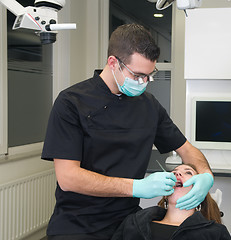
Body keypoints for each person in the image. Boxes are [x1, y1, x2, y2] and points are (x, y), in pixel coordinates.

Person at [41, 23, 214, 239]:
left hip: (129, 224)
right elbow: (68, 177)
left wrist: (206, 175)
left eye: (149, 76)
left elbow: (187, 149)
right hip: (78, 225)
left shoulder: (148, 105)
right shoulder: (71, 102)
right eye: (137, 75)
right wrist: (136, 187)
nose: (144, 83)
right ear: (113, 63)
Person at [111, 164, 231, 240]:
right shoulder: (133, 223)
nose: (177, 174)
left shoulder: (215, 233)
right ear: (165, 195)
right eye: (173, 173)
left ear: (200, 191)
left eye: (188, 172)